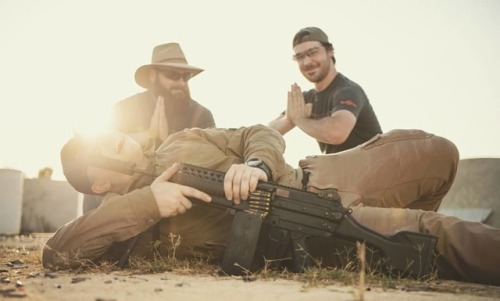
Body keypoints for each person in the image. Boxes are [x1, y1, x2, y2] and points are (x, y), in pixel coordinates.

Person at [43, 125, 500, 286]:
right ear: (100, 178)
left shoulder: (180, 141)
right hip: (315, 230)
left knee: (438, 152)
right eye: (105, 142)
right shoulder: (120, 228)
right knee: (431, 233)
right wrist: (149, 201)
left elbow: (257, 134)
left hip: (317, 176)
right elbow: (57, 253)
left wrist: (257, 163)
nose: (117, 135)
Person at [83, 42, 216, 213]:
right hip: (129, 195)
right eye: (173, 75)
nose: (181, 82)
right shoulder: (125, 108)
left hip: (179, 193)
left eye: (187, 76)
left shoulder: (202, 114)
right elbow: (103, 153)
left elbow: (209, 158)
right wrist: (149, 135)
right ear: (153, 75)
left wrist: (167, 142)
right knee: (100, 178)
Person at [268, 27, 382, 154]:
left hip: (375, 169)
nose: (307, 62)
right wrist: (290, 118)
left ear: (330, 51)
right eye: (300, 57)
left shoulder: (348, 90)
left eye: (313, 52)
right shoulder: (307, 99)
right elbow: (268, 132)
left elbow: (337, 133)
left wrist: (299, 120)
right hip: (340, 170)